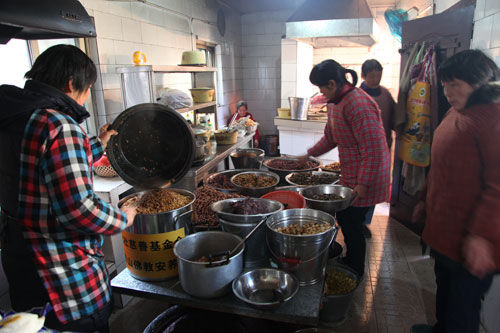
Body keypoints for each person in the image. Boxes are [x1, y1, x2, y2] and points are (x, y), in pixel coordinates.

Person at [0, 45, 137, 332]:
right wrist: (124, 216)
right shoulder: (60, 125)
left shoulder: (13, 116)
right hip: (62, 274)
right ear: (72, 84)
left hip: (19, 256)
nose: (86, 96)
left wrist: (97, 142)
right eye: (87, 89)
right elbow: (79, 210)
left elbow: (40, 159)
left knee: (34, 326)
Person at [411, 50, 500, 333]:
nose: (448, 92)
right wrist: (425, 198)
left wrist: (482, 237)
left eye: (455, 85)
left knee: (463, 308)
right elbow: (442, 163)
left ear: (482, 82)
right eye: (445, 85)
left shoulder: (493, 120)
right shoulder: (457, 110)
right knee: (445, 292)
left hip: (473, 242)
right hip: (446, 232)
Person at [301, 59, 391, 278]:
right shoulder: (335, 102)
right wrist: (308, 154)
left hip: (366, 175)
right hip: (351, 174)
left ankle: (355, 268)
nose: (320, 91)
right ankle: (351, 260)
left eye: (321, 87)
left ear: (332, 83)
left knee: (351, 223)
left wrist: (362, 185)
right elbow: (330, 138)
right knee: (348, 219)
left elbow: (374, 150)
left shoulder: (358, 104)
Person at [359, 59, 396, 238]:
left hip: (382, 148)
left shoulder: (386, 94)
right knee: (360, 184)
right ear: (363, 76)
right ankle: (357, 220)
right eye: (372, 75)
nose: (376, 79)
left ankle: (365, 221)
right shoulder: (358, 95)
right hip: (361, 151)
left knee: (374, 186)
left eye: (378, 75)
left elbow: (395, 117)